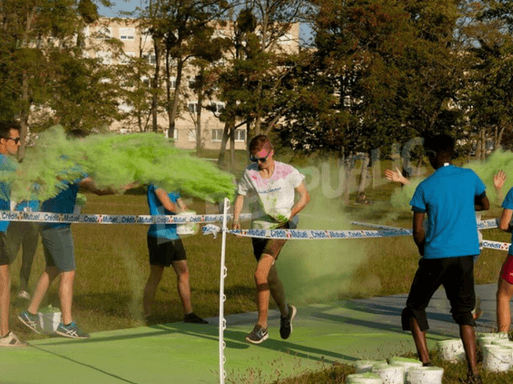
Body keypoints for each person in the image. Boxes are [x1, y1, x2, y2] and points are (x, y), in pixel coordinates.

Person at [18, 130, 135, 339]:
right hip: (56, 225)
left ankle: (30, 313)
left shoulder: (64, 163)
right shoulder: (69, 165)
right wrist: (124, 186)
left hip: (52, 222)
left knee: (53, 269)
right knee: (68, 273)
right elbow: (95, 187)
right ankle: (66, 323)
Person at [403, 134, 488, 384]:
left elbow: (417, 229)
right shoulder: (469, 177)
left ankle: (427, 366)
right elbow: (484, 204)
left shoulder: (425, 186)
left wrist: (423, 248)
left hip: (436, 255)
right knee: (463, 311)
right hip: (465, 255)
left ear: (431, 156)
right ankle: (473, 374)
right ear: (452, 153)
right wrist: (461, 203)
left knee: (416, 306)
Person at [386, 166, 507, 321]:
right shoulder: (456, 194)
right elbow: (428, 193)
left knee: (455, 281)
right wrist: (403, 180)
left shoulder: (471, 198)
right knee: (457, 281)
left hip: (466, 246)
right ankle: (467, 309)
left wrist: (498, 190)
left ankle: (467, 310)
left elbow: (496, 205)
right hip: (450, 246)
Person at [233, 135, 310, 344]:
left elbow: (305, 197)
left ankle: (262, 326)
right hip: (258, 229)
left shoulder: (288, 172)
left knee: (259, 273)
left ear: (271, 152)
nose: (258, 163)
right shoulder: (250, 173)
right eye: (254, 159)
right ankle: (286, 313)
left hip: (281, 227)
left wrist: (290, 215)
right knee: (270, 276)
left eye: (262, 159)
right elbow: (240, 195)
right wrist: (236, 219)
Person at [143, 185, 207, 324]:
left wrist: (192, 216)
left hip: (174, 235)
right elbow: (169, 206)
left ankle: (189, 314)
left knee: (184, 272)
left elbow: (181, 206)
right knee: (155, 276)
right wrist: (185, 216)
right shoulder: (156, 182)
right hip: (159, 234)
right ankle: (147, 315)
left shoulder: (172, 183)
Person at [0, 121, 27, 347]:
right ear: (2, 141)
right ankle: (4, 335)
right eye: (15, 140)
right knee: (3, 279)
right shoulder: (5, 163)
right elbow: (28, 179)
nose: (19, 144)